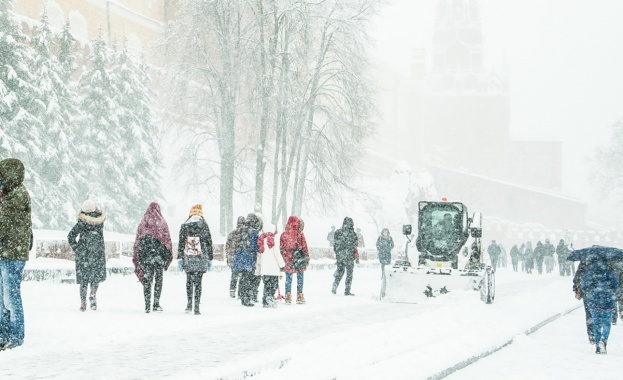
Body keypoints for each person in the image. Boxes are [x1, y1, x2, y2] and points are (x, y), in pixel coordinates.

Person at [0, 159, 32, 350]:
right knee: (3, 297)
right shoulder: (10, 194)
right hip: (5, 252)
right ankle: (3, 335)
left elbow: (3, 223)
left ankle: (16, 336)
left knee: (10, 296)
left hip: (12, 253)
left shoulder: (17, 195)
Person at [133, 202, 173, 313]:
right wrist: (166, 256)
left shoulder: (144, 223)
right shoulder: (162, 222)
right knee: (158, 280)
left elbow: (138, 241)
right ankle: (156, 303)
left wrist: (139, 255)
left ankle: (147, 304)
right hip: (159, 257)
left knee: (147, 280)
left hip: (146, 257)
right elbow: (167, 241)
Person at [67, 199, 107, 312]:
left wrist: (77, 249)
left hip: (84, 255)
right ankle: (93, 293)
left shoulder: (82, 222)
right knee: (95, 277)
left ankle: (83, 302)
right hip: (97, 253)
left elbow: (70, 236)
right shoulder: (100, 222)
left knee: (84, 279)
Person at [177, 204, 213, 315]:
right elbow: (209, 242)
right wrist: (210, 258)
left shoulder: (184, 225)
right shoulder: (204, 225)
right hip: (201, 257)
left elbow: (181, 243)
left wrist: (180, 258)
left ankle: (189, 304)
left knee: (189, 280)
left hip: (188, 256)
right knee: (198, 282)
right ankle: (197, 306)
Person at [580, 257, 619, 354]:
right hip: (608, 301)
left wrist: (589, 293)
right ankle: (604, 339)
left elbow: (584, 285)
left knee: (596, 325)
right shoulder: (609, 271)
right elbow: (616, 285)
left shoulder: (589, 272)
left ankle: (597, 347)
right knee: (606, 323)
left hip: (594, 301)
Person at [255, 214, 285, 308]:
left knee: (266, 285)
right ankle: (270, 298)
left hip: (265, 268)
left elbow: (259, 254)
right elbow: (277, 254)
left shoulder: (261, 239)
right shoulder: (273, 240)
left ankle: (265, 300)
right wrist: (282, 265)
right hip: (273, 268)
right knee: (273, 285)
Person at [280, 215, 310, 304]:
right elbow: (305, 247)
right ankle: (300, 295)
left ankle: (288, 296)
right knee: (300, 277)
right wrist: (307, 258)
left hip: (288, 260)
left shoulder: (284, 234)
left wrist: (285, 258)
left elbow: (281, 248)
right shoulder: (300, 234)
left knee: (288, 278)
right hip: (299, 259)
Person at [233, 213, 261, 307]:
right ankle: (246, 299)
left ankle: (241, 295)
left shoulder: (240, 230)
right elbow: (254, 246)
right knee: (248, 278)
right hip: (248, 257)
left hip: (239, 256)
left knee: (243, 277)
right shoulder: (253, 232)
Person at [332, 217, 359, 296]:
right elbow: (355, 244)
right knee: (349, 274)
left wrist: (338, 254)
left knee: (340, 271)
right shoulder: (352, 233)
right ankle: (347, 290)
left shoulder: (338, 232)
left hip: (340, 256)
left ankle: (335, 286)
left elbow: (335, 245)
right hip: (349, 256)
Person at [226, 216, 245, 298]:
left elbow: (227, 246)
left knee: (234, 275)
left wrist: (228, 256)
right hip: (241, 257)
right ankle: (240, 292)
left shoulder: (232, 233)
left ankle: (232, 290)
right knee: (242, 275)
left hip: (233, 257)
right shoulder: (244, 233)